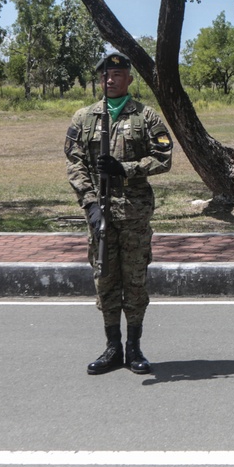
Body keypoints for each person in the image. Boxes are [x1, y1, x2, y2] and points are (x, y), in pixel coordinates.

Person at [65, 50, 173, 375]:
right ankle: (112, 347)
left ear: (128, 78)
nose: (108, 80)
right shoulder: (84, 118)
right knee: (105, 279)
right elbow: (75, 164)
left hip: (134, 215)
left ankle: (134, 347)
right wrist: (90, 204)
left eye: (115, 75)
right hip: (100, 216)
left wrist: (124, 168)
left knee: (136, 281)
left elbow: (163, 157)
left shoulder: (146, 117)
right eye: (104, 75)